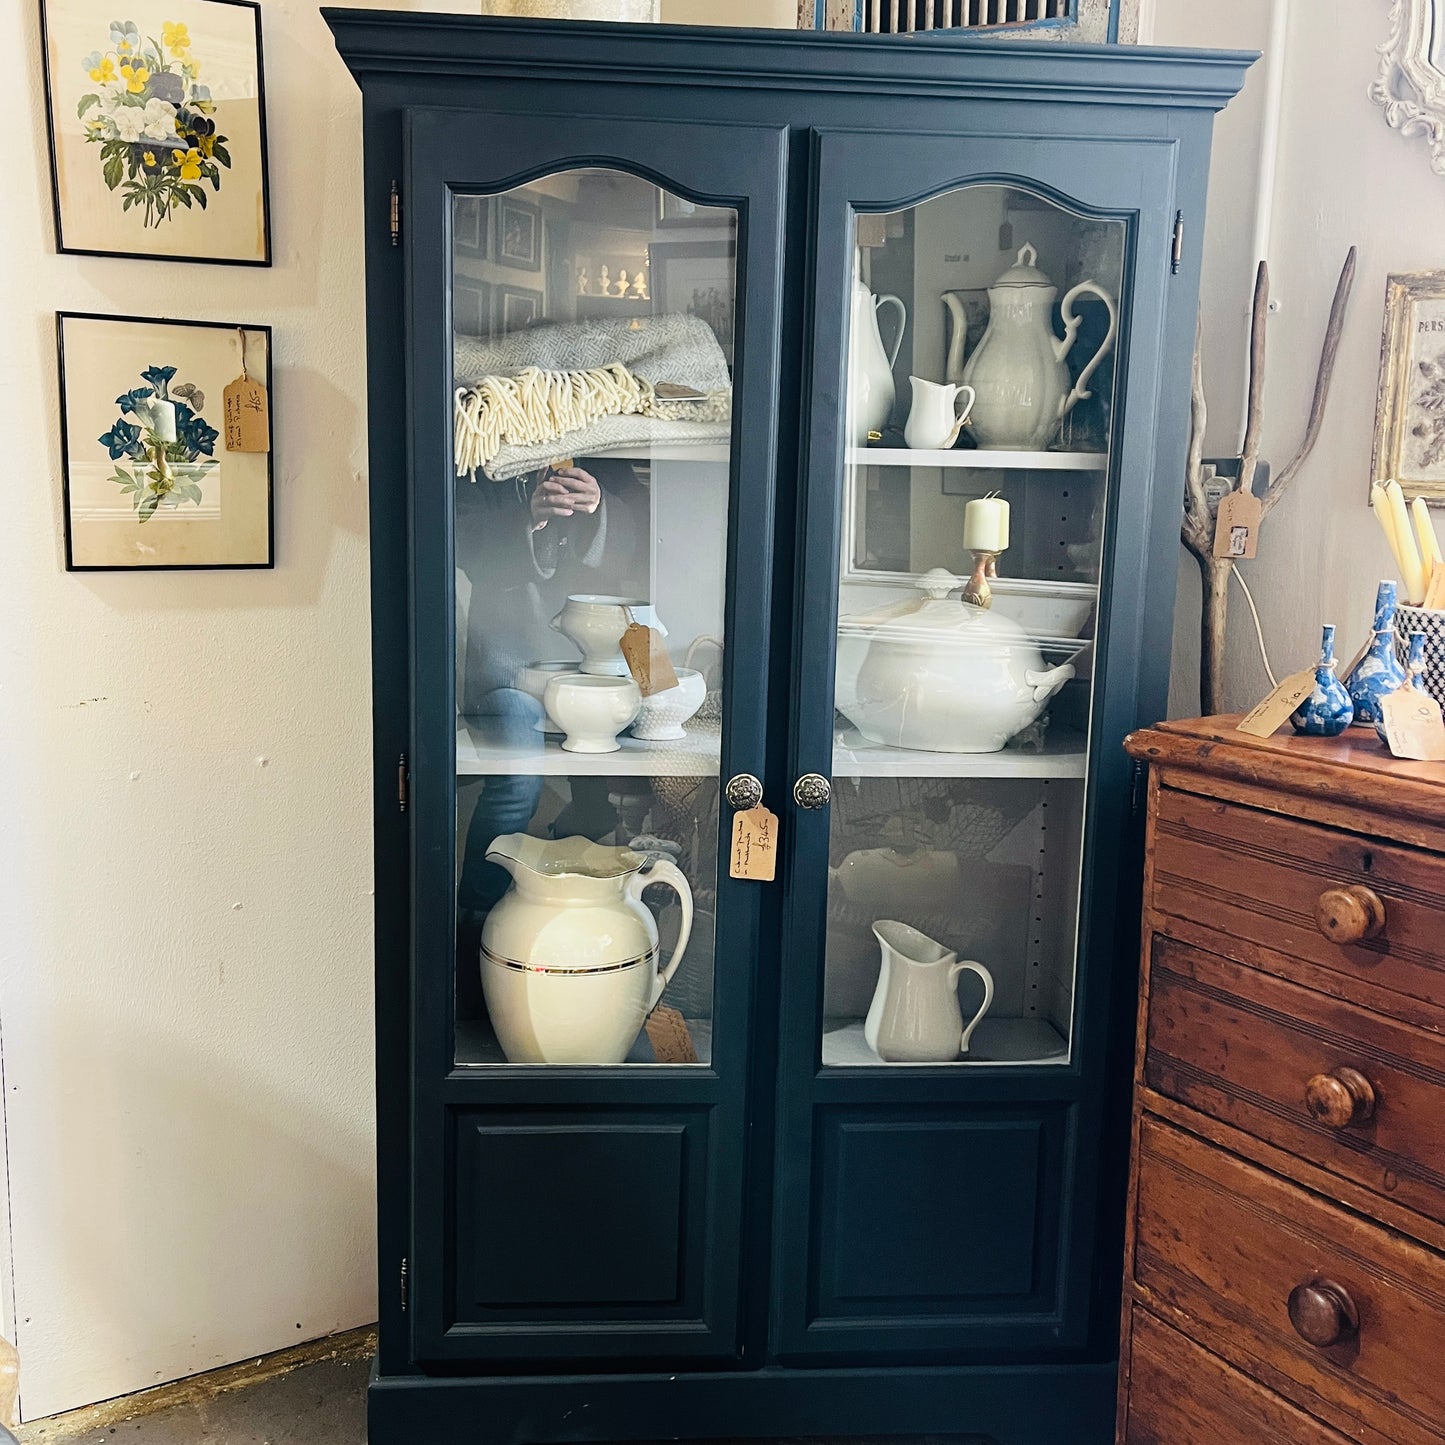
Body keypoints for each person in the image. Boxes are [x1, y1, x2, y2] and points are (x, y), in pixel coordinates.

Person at [452, 457, 649, 983]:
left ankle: (603, 912)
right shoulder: (484, 447)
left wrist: (601, 505)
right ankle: (472, 922)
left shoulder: (599, 441)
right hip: (509, 663)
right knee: (518, 785)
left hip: (605, 650)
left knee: (635, 774)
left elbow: (648, 534)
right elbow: (461, 545)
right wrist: (529, 517)